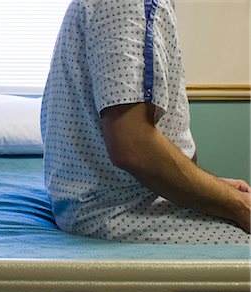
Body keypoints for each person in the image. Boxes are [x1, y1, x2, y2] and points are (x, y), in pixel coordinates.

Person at [40, 0, 250, 244]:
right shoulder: (128, 5)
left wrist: (215, 190)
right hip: (118, 212)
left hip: (118, 199)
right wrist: (238, 205)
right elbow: (133, 146)